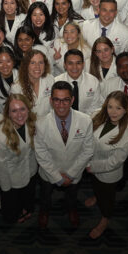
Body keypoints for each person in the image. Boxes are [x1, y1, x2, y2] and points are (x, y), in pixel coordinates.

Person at [34, 81, 95, 229]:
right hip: (49, 172)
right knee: (45, 196)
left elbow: (88, 150)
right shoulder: (41, 123)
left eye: (65, 99)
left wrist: (71, 174)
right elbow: (41, 154)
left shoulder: (85, 121)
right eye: (56, 99)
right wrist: (57, 177)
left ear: (72, 100)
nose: (61, 104)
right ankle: (44, 211)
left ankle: (71, 210)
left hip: (74, 171)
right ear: (51, 100)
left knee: (72, 196)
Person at [85, 91, 128, 238]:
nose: (113, 112)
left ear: (126, 110)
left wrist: (91, 167)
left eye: (118, 108)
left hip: (108, 173)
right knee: (95, 185)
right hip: (91, 164)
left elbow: (114, 162)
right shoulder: (97, 116)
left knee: (107, 198)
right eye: (110, 107)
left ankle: (105, 219)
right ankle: (96, 196)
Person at [0, 94, 38, 223]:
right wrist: (6, 189)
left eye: (22, 109)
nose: (19, 114)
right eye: (14, 111)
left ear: (28, 109)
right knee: (11, 206)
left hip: (31, 170)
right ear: (8, 114)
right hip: (11, 177)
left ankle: (26, 209)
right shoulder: (0, 136)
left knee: (27, 196)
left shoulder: (32, 123)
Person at [54, 49, 102, 113]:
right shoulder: (55, 82)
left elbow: (96, 108)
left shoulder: (93, 82)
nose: (75, 67)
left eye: (78, 63)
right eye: (70, 63)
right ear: (65, 65)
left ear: (83, 64)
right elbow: (53, 108)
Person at [11, 49, 55, 118]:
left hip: (48, 123)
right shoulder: (16, 87)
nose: (37, 66)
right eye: (32, 63)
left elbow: (54, 106)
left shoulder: (50, 79)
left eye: (40, 62)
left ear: (45, 65)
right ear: (26, 66)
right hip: (28, 124)